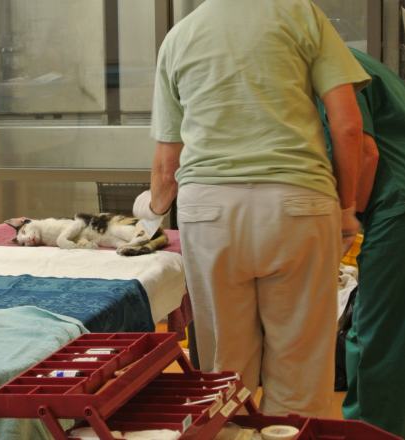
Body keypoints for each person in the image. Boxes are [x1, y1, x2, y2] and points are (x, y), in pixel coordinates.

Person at [134, 0, 371, 417]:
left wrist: (150, 213)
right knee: (300, 371)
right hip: (296, 203)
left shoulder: (180, 36)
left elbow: (167, 165)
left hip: (209, 212)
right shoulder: (302, 16)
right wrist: (346, 208)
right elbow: (349, 125)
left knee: (225, 373)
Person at [318, 48, 405, 438]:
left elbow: (364, 152)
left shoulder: (326, 66)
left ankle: (372, 431)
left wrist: (347, 219)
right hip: (396, 202)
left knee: (375, 333)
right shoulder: (359, 61)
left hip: (396, 206)